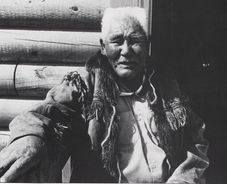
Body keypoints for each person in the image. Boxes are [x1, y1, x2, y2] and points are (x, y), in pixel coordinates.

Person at [0, 7, 209, 183]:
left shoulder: (167, 88)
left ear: (147, 44)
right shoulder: (84, 87)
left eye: (135, 40)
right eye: (117, 41)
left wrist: (182, 179)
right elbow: (43, 116)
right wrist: (29, 139)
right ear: (102, 46)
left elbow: (195, 142)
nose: (126, 50)